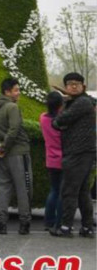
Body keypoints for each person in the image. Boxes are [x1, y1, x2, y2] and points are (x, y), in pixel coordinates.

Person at [50, 72, 96, 238]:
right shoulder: (79, 101)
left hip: (78, 152)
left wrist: (62, 110)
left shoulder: (81, 102)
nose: (73, 86)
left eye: (77, 83)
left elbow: (58, 121)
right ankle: (87, 227)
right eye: (70, 84)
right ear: (66, 87)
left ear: (83, 87)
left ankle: (65, 227)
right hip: (81, 152)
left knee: (68, 190)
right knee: (82, 191)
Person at [0, 78, 32, 235]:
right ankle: (24, 223)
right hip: (18, 153)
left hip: (2, 154)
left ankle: (1, 224)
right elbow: (14, 130)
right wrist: (5, 146)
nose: (18, 93)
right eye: (16, 90)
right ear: (7, 92)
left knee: (3, 188)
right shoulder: (12, 107)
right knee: (23, 188)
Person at [40, 91, 64, 232]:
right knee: (62, 192)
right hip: (64, 159)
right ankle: (59, 222)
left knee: (53, 190)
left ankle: (48, 221)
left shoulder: (43, 118)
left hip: (50, 159)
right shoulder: (62, 121)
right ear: (60, 105)